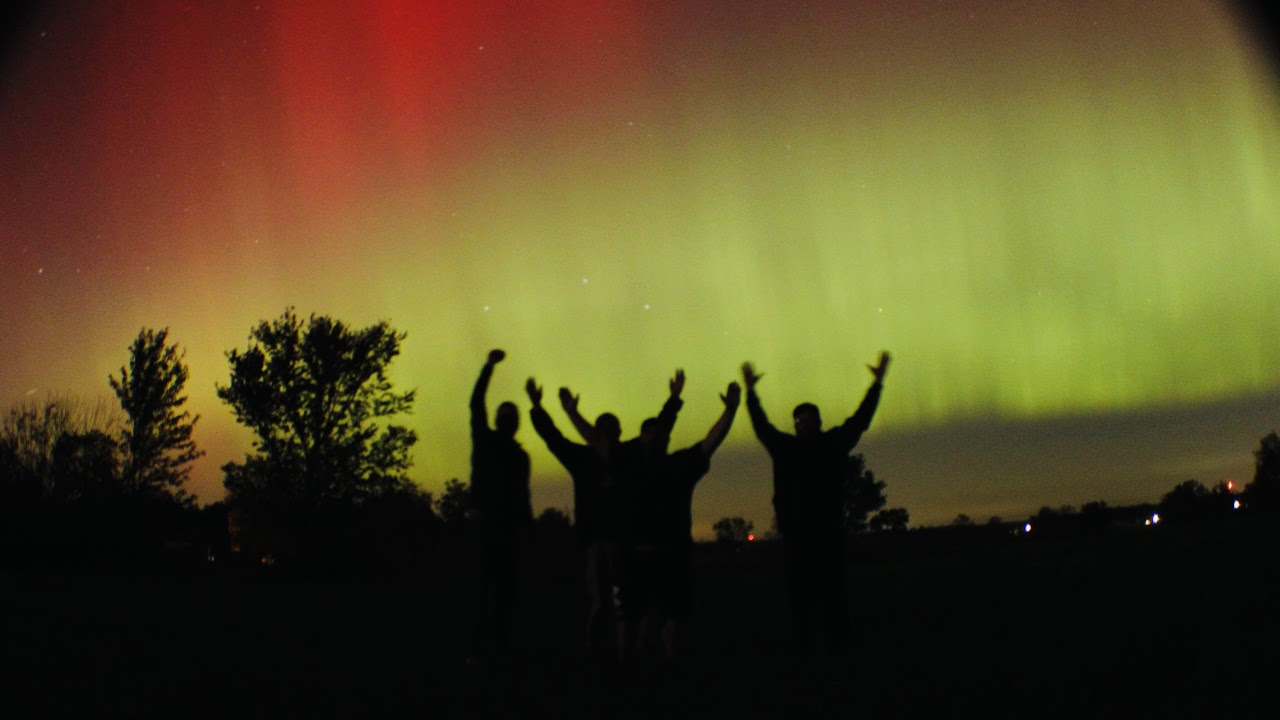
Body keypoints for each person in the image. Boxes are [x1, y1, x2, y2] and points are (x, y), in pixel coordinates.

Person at [526, 371, 684, 660]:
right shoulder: (582, 458)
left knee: (627, 601)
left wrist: (673, 400)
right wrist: (537, 409)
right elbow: (552, 437)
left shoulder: (626, 456)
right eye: (604, 428)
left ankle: (627, 649)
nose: (607, 434)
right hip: (597, 541)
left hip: (623, 542)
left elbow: (656, 433)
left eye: (611, 429)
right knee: (601, 602)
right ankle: (597, 645)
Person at [742, 352, 890, 655]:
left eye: (810, 419)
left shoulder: (831, 443)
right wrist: (751, 393)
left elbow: (861, 419)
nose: (806, 423)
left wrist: (877, 384)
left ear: (819, 422)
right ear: (795, 423)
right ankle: (808, 652)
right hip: (797, 538)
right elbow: (761, 426)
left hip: (828, 535)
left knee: (833, 597)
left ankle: (835, 651)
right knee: (802, 600)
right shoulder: (785, 447)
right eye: (801, 419)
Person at [624, 380, 741, 661]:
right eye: (649, 434)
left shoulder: (677, 465)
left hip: (671, 554)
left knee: (672, 614)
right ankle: (639, 655)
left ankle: (664, 655)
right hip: (639, 553)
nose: (654, 438)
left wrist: (730, 411)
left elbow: (709, 443)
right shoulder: (633, 467)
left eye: (658, 435)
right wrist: (674, 400)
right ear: (642, 439)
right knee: (637, 615)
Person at [467, 349, 532, 664]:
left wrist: (527, 525)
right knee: (480, 592)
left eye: (512, 417)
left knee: (503, 594)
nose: (510, 420)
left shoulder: (520, 456)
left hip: (505, 529)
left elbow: (523, 494)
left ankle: (499, 649)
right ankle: (477, 650)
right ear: (500, 421)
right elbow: (476, 403)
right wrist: (488, 368)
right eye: (507, 416)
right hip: (484, 525)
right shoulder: (485, 439)